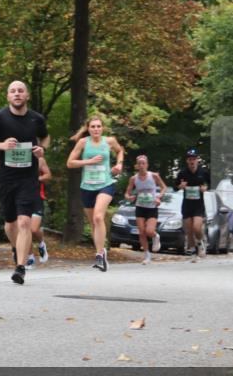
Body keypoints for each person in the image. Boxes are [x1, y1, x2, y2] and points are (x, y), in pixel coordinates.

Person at [0, 81, 49, 285]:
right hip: (7, 179)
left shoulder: (36, 119)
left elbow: (45, 138)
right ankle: (18, 249)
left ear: (27, 95)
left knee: (24, 222)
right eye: (13, 91)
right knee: (10, 224)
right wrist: (1, 145)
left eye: (21, 91)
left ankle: (20, 268)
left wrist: (42, 149)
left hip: (29, 178)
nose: (17, 94)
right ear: (8, 96)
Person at [66, 114, 124, 272]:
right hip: (87, 186)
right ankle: (101, 252)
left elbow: (120, 151)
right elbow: (70, 163)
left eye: (99, 126)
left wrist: (119, 164)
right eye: (93, 126)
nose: (96, 129)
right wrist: (88, 162)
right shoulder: (83, 143)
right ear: (88, 128)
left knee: (98, 217)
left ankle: (99, 255)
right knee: (93, 222)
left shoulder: (109, 141)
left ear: (102, 128)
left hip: (105, 184)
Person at [124, 154, 168, 265]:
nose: (141, 165)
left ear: (147, 165)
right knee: (142, 232)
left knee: (149, 231)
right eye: (139, 164)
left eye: (143, 163)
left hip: (152, 207)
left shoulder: (154, 176)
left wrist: (159, 197)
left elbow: (164, 187)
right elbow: (127, 193)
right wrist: (129, 197)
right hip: (140, 207)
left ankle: (155, 236)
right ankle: (147, 255)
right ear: (137, 166)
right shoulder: (133, 179)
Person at [174, 148, 211, 260]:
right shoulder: (183, 173)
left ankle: (200, 242)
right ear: (187, 161)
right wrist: (180, 186)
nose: (192, 161)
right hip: (187, 205)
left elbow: (210, 184)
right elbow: (175, 187)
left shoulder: (203, 172)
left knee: (196, 228)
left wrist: (206, 188)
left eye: (194, 159)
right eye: (190, 159)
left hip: (198, 205)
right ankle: (193, 251)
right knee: (189, 230)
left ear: (197, 160)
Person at [27, 155, 52, 269]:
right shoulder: (18, 159)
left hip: (37, 197)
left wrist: (37, 178)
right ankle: (30, 257)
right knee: (25, 229)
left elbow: (48, 175)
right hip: (21, 197)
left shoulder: (40, 160)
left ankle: (41, 244)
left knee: (33, 229)